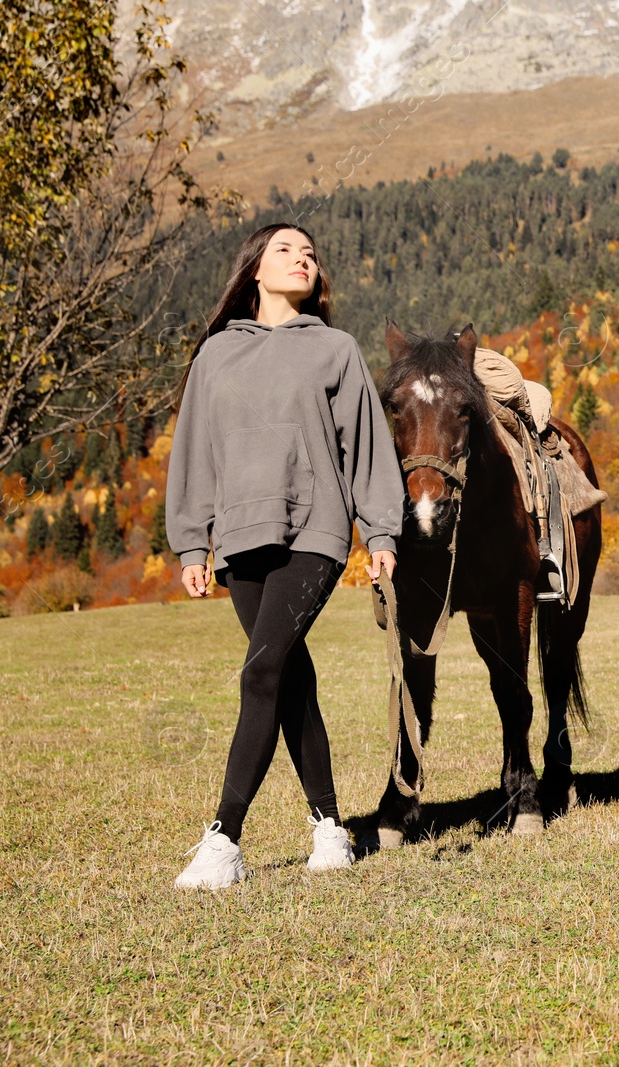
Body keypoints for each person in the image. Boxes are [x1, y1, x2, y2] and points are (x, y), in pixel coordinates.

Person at [163, 222, 406, 889]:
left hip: (315, 533)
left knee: (260, 671)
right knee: (287, 678)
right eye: (286, 250)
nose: (303, 259)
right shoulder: (217, 354)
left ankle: (224, 840)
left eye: (310, 254)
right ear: (253, 270)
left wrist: (380, 531)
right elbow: (195, 450)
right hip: (240, 538)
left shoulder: (334, 349)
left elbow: (366, 445)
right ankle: (330, 827)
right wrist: (192, 538)